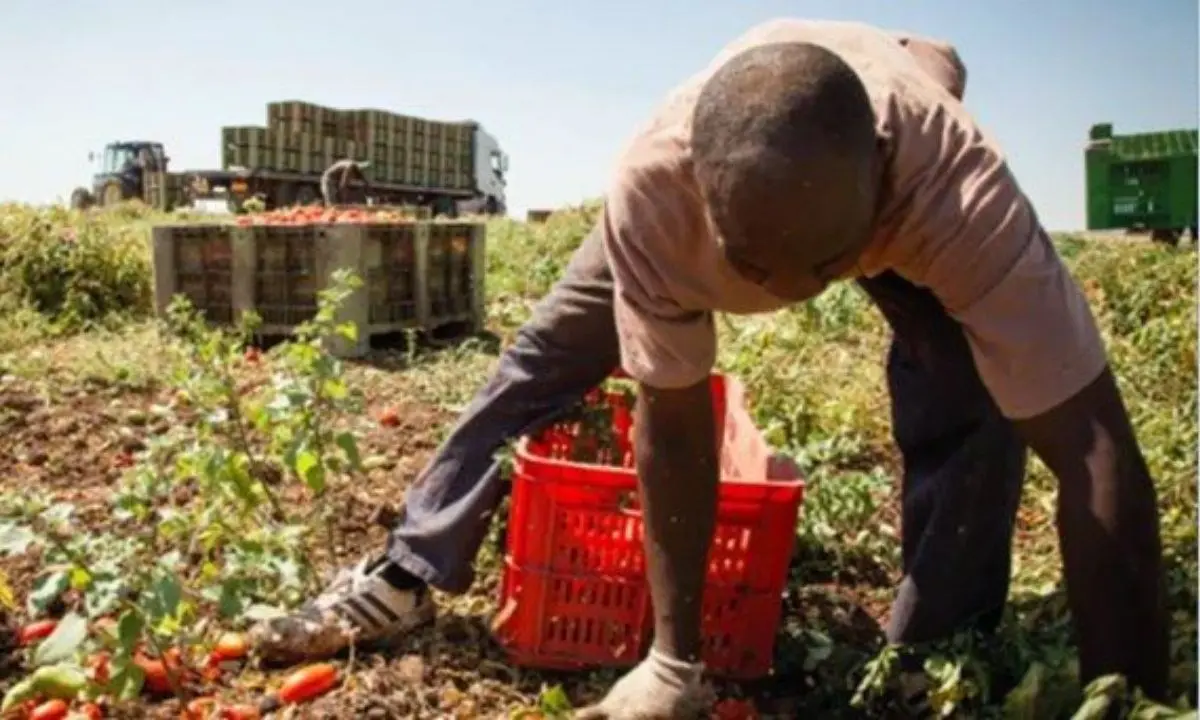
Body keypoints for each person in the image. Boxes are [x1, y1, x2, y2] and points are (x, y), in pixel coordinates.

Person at [250, 18, 1169, 719]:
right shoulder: (656, 186)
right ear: (703, 193)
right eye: (755, 267)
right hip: (749, 162)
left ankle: (940, 637)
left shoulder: (955, 189)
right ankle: (411, 567)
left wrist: (1127, 695)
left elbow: (1096, 452)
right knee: (546, 357)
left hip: (894, 173)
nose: (795, 294)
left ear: (882, 181)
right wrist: (674, 662)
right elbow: (675, 418)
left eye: (824, 265)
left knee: (969, 392)